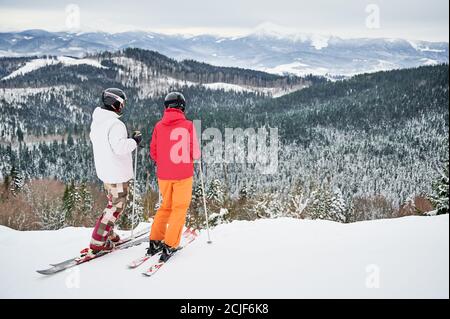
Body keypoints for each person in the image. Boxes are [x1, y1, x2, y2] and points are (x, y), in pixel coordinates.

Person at [147, 92, 200, 262]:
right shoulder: (188, 125)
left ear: (166, 106)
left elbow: (153, 152)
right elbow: (195, 153)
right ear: (182, 107)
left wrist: (165, 162)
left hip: (164, 175)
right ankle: (170, 244)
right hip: (183, 175)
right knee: (179, 208)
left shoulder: (158, 126)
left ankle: (155, 240)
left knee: (165, 207)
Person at [89, 88, 143, 253]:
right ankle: (98, 241)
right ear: (115, 103)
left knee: (112, 203)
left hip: (106, 171)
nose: (122, 106)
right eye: (121, 103)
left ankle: (108, 233)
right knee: (116, 206)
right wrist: (134, 140)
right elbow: (120, 148)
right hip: (117, 173)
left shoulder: (98, 122)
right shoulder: (115, 124)